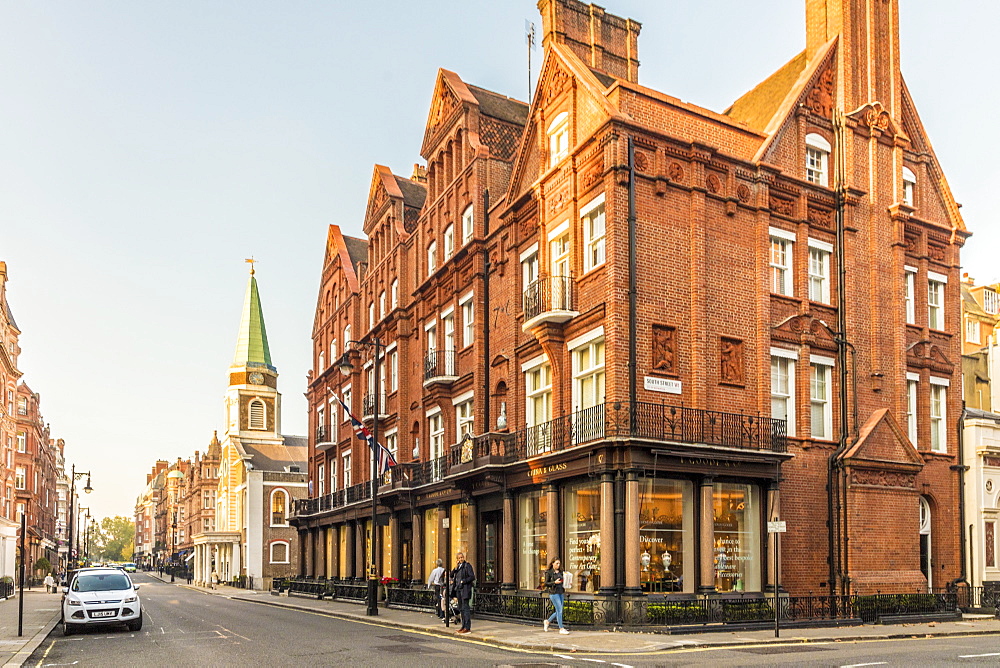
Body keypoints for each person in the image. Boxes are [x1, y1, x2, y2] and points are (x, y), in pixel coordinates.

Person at [450, 552, 476, 634]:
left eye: (462, 557)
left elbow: (472, 577)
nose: (461, 559)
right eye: (459, 558)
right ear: (457, 559)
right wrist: (455, 568)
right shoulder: (458, 568)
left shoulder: (467, 566)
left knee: (466, 609)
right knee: (461, 609)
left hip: (465, 590)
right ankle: (463, 626)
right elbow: (451, 575)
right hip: (458, 590)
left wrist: (463, 581)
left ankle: (467, 627)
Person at [543, 558, 570, 634]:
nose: (558, 565)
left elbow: (563, 581)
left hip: (561, 591)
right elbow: (546, 583)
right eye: (556, 563)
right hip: (553, 593)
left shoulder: (561, 572)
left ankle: (547, 622)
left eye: (559, 563)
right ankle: (561, 628)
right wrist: (554, 582)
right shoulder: (549, 572)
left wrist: (568, 583)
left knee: (559, 610)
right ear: (552, 563)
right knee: (559, 610)